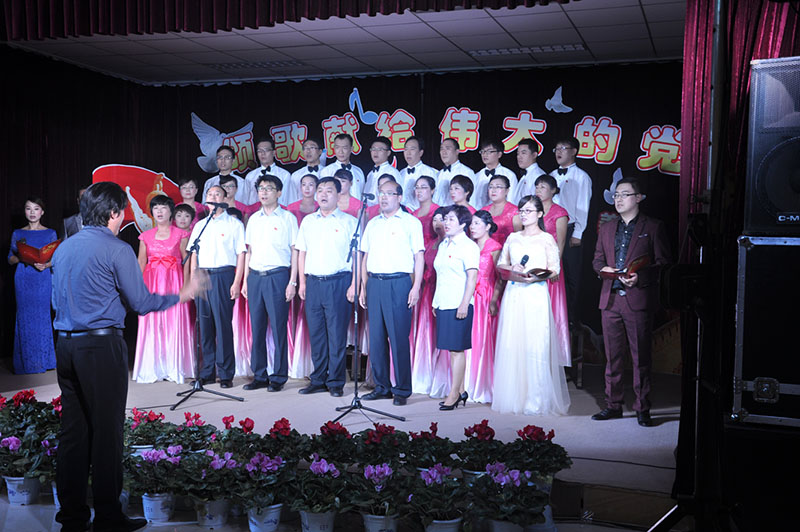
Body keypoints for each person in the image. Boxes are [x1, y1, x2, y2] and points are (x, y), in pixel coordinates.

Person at [51, 181, 203, 532]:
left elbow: (57, 301)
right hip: (100, 348)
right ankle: (108, 517)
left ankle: (72, 518)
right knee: (107, 433)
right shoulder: (117, 249)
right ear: (113, 213)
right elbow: (141, 302)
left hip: (66, 346)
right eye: (123, 213)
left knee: (73, 434)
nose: (123, 219)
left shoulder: (65, 247)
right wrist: (182, 295)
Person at [591, 177, 670, 427]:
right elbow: (597, 260)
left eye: (624, 194)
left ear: (638, 198)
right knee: (612, 357)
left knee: (640, 357)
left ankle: (642, 408)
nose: (618, 199)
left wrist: (640, 277)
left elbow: (663, 264)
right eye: (616, 195)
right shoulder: (607, 228)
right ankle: (613, 405)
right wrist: (603, 269)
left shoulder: (653, 227)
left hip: (637, 299)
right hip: (610, 299)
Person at [492, 195, 570, 416]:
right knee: (513, 342)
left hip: (535, 293)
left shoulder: (546, 239)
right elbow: (501, 264)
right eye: (522, 211)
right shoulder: (513, 238)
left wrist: (537, 275)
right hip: (515, 292)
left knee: (535, 344)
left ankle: (535, 399)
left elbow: (554, 269)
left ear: (539, 214)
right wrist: (512, 267)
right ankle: (514, 397)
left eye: (528, 211)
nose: (524, 215)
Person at [358, 179, 424, 406]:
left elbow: (419, 257)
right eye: (381, 193)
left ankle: (402, 389)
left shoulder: (410, 223)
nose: (384, 197)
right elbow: (365, 256)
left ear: (399, 197)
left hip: (399, 283)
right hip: (375, 283)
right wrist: (363, 286)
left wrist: (416, 286)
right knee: (376, 339)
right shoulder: (372, 224)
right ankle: (382, 387)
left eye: (389, 193)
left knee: (398, 339)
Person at [294, 177, 357, 397]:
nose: (323, 194)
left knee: (336, 334)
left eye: (329, 190)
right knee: (317, 334)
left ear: (339, 195)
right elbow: (302, 252)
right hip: (313, 282)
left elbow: (357, 256)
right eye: (320, 190)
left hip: (339, 282)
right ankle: (318, 379)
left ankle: (336, 381)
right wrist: (302, 282)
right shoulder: (308, 221)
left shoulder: (349, 222)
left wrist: (354, 285)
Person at [240, 174, 298, 392]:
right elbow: (249, 251)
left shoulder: (288, 218)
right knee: (257, 328)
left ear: (279, 192)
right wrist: (245, 280)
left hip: (278, 276)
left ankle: (279, 376)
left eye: (269, 188)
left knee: (278, 328)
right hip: (255, 277)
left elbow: (295, 251)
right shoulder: (254, 219)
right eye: (261, 188)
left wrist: (292, 281)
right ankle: (259, 374)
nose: (263, 192)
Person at [188, 185, 246, 388]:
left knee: (222, 326)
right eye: (209, 194)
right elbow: (193, 254)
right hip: (203, 276)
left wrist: (237, 282)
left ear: (224, 198)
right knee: (205, 327)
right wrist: (193, 280)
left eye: (217, 194)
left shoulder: (234, 224)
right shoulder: (200, 225)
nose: (212, 197)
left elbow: (241, 254)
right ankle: (207, 372)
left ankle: (226, 373)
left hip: (223, 275)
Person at [132, 195, 194, 384]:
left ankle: (173, 367)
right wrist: (136, 288)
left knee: (173, 321)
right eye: (156, 208)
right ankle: (153, 367)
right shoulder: (145, 236)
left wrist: (187, 285)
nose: (159, 211)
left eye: (163, 207)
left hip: (174, 281)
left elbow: (187, 260)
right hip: (151, 282)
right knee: (153, 321)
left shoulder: (181, 234)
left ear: (171, 212)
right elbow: (141, 262)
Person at [433, 205, 479, 410]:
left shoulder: (468, 246)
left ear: (463, 224)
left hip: (459, 303)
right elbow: (441, 276)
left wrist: (464, 304)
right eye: (445, 219)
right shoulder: (444, 244)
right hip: (444, 302)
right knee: (451, 349)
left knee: (457, 350)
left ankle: (454, 394)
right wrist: (436, 302)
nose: (446, 222)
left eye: (451, 219)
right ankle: (460, 391)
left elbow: (472, 278)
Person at [8, 196, 57, 374]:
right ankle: (25, 363)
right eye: (28, 208)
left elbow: (56, 259)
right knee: (25, 317)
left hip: (42, 278)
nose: (32, 212)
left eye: (36, 209)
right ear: (25, 212)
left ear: (42, 212)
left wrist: (46, 265)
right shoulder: (18, 233)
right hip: (23, 278)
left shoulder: (50, 233)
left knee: (42, 316)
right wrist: (21, 258)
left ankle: (44, 361)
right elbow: (10, 258)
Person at [550, 137, 593, 327]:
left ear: (574, 151)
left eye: (563, 148)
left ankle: (572, 319)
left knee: (571, 275)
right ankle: (554, 313)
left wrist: (578, 233)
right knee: (552, 272)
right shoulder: (551, 175)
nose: (559, 152)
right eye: (556, 149)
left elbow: (583, 206)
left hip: (570, 229)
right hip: (550, 230)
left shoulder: (582, 177)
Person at [466, 211, 503, 404]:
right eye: (471, 223)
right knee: (467, 339)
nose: (472, 227)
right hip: (468, 294)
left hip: (485, 295)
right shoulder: (468, 245)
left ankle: (483, 383)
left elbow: (501, 277)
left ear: (488, 226)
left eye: (477, 223)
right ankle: (466, 383)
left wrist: (494, 300)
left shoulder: (494, 247)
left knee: (482, 339)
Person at [535, 174, 572, 367]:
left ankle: (552, 357)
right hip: (534, 265)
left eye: (542, 187)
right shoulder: (533, 211)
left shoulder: (560, 212)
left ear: (553, 190)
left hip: (551, 266)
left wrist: (554, 267)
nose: (538, 190)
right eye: (537, 187)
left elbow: (561, 242)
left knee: (551, 307)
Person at [411, 207, 447, 396]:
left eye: (442, 219)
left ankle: (443, 378)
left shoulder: (452, 244)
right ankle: (425, 376)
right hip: (427, 292)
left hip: (444, 292)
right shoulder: (430, 244)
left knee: (442, 334)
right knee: (427, 333)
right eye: (434, 220)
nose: (437, 223)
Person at [286, 174, 318, 379]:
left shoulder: (321, 210)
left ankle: (314, 365)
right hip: (294, 262)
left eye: (311, 185)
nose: (307, 188)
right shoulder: (290, 209)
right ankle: (295, 361)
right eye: (303, 184)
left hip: (315, 264)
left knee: (313, 319)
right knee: (294, 315)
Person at [473, 138, 518, 209]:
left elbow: (512, 200)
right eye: (483, 151)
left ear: (499, 154)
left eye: (489, 151)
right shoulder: (476, 176)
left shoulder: (509, 175)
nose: (484, 154)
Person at [245, 137, 291, 206]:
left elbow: (286, 199)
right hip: (255, 211)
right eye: (260, 151)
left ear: (274, 152)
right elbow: (245, 200)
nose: (263, 153)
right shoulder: (250, 176)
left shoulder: (284, 174)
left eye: (266, 150)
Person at [320, 133, 366, 198]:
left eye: (345, 148)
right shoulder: (327, 171)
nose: (341, 152)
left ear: (351, 149)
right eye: (337, 147)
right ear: (334, 148)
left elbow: (362, 194)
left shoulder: (358, 171)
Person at [480, 175, 521, 246]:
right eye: (491, 187)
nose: (493, 190)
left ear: (507, 191)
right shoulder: (483, 210)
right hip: (485, 250)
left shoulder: (515, 212)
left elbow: (519, 239)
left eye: (498, 187)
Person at [434, 138, 475, 207]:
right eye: (441, 149)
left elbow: (472, 200)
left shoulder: (466, 172)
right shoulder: (438, 174)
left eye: (448, 148)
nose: (444, 152)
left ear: (457, 151)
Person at [400, 136, 438, 209]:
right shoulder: (401, 173)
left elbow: (435, 197)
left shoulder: (429, 172)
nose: (408, 153)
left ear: (420, 152)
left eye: (412, 149)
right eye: (406, 149)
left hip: (421, 212)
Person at [363, 136, 401, 206]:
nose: (375, 152)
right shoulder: (370, 174)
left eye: (380, 149)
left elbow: (398, 196)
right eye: (373, 149)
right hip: (368, 210)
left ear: (388, 153)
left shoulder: (393, 172)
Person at [287, 138, 324, 205]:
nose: (308, 151)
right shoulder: (296, 175)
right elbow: (292, 199)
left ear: (320, 151)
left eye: (312, 148)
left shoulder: (327, 172)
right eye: (305, 148)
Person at [511, 139, 544, 204]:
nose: (519, 157)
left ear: (534, 155)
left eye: (523, 153)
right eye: (518, 153)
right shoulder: (525, 174)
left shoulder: (539, 176)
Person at [412, 175, 441, 248]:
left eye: (423, 187)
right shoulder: (413, 214)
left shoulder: (438, 211)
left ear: (432, 190)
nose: (419, 191)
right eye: (417, 187)